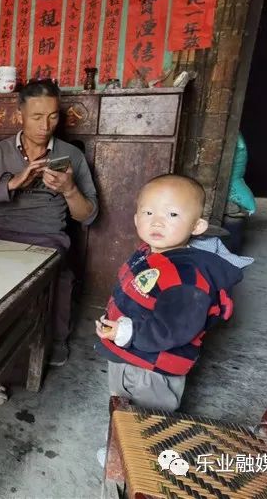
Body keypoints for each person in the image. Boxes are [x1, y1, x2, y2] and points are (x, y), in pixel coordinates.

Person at [0, 79, 98, 383]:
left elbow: (89, 216)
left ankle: (54, 341)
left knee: (56, 275)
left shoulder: (70, 155)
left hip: (47, 238)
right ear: (19, 114)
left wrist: (70, 190)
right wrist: (13, 183)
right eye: (36, 117)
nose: (45, 126)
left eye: (53, 116)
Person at [95, 174, 248, 413]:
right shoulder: (148, 252)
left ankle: (136, 438)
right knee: (122, 408)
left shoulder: (187, 278)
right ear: (136, 219)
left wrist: (125, 332)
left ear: (197, 226)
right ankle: (119, 435)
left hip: (152, 369)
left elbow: (174, 330)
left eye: (172, 214)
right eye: (148, 213)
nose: (157, 222)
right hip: (130, 352)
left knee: (147, 419)